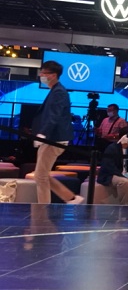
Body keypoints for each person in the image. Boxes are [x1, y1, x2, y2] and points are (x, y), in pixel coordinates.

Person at [32, 60, 82, 204]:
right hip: (51, 138)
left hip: (54, 139)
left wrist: (43, 134)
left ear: (53, 75)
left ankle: (44, 208)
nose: (41, 75)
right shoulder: (55, 90)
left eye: (44, 73)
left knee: (40, 176)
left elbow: (54, 115)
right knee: (41, 174)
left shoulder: (59, 92)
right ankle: (70, 198)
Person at [96, 135, 128, 205]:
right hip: (111, 175)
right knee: (124, 182)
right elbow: (110, 167)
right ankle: (124, 206)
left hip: (125, 174)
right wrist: (125, 177)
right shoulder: (112, 148)